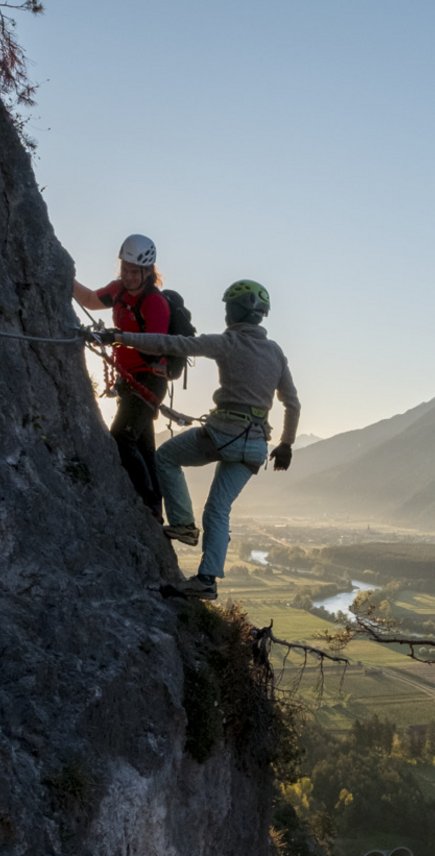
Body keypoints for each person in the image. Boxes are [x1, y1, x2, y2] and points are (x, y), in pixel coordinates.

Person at [99, 280, 298, 600]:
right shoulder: (275, 352)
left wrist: (120, 338)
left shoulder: (227, 342)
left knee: (165, 457)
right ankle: (206, 580)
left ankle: (182, 525)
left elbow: (172, 344)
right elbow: (293, 403)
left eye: (226, 307)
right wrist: (286, 444)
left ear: (235, 311)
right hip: (257, 445)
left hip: (223, 434)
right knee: (219, 509)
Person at [73, 234, 170, 518]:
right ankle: (155, 510)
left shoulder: (155, 303)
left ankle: (146, 503)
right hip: (129, 380)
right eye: (124, 269)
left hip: (150, 378)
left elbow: (154, 344)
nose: (127, 276)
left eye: (133, 272)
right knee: (143, 445)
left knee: (121, 437)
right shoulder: (117, 291)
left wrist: (115, 338)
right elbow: (91, 300)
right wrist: (66, 277)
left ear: (147, 272)